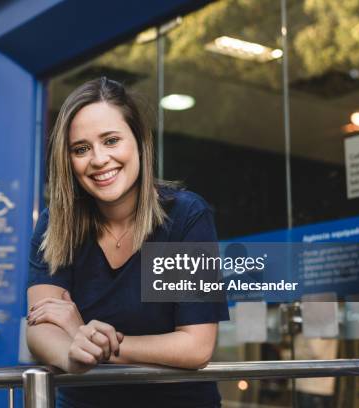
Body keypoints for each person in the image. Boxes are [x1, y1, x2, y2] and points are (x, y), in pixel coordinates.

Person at [26, 77, 229, 408]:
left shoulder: (182, 217)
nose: (98, 159)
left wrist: (93, 343)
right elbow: (40, 327)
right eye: (81, 149)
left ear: (139, 141)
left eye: (111, 140)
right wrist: (71, 353)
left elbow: (195, 346)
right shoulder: (58, 222)